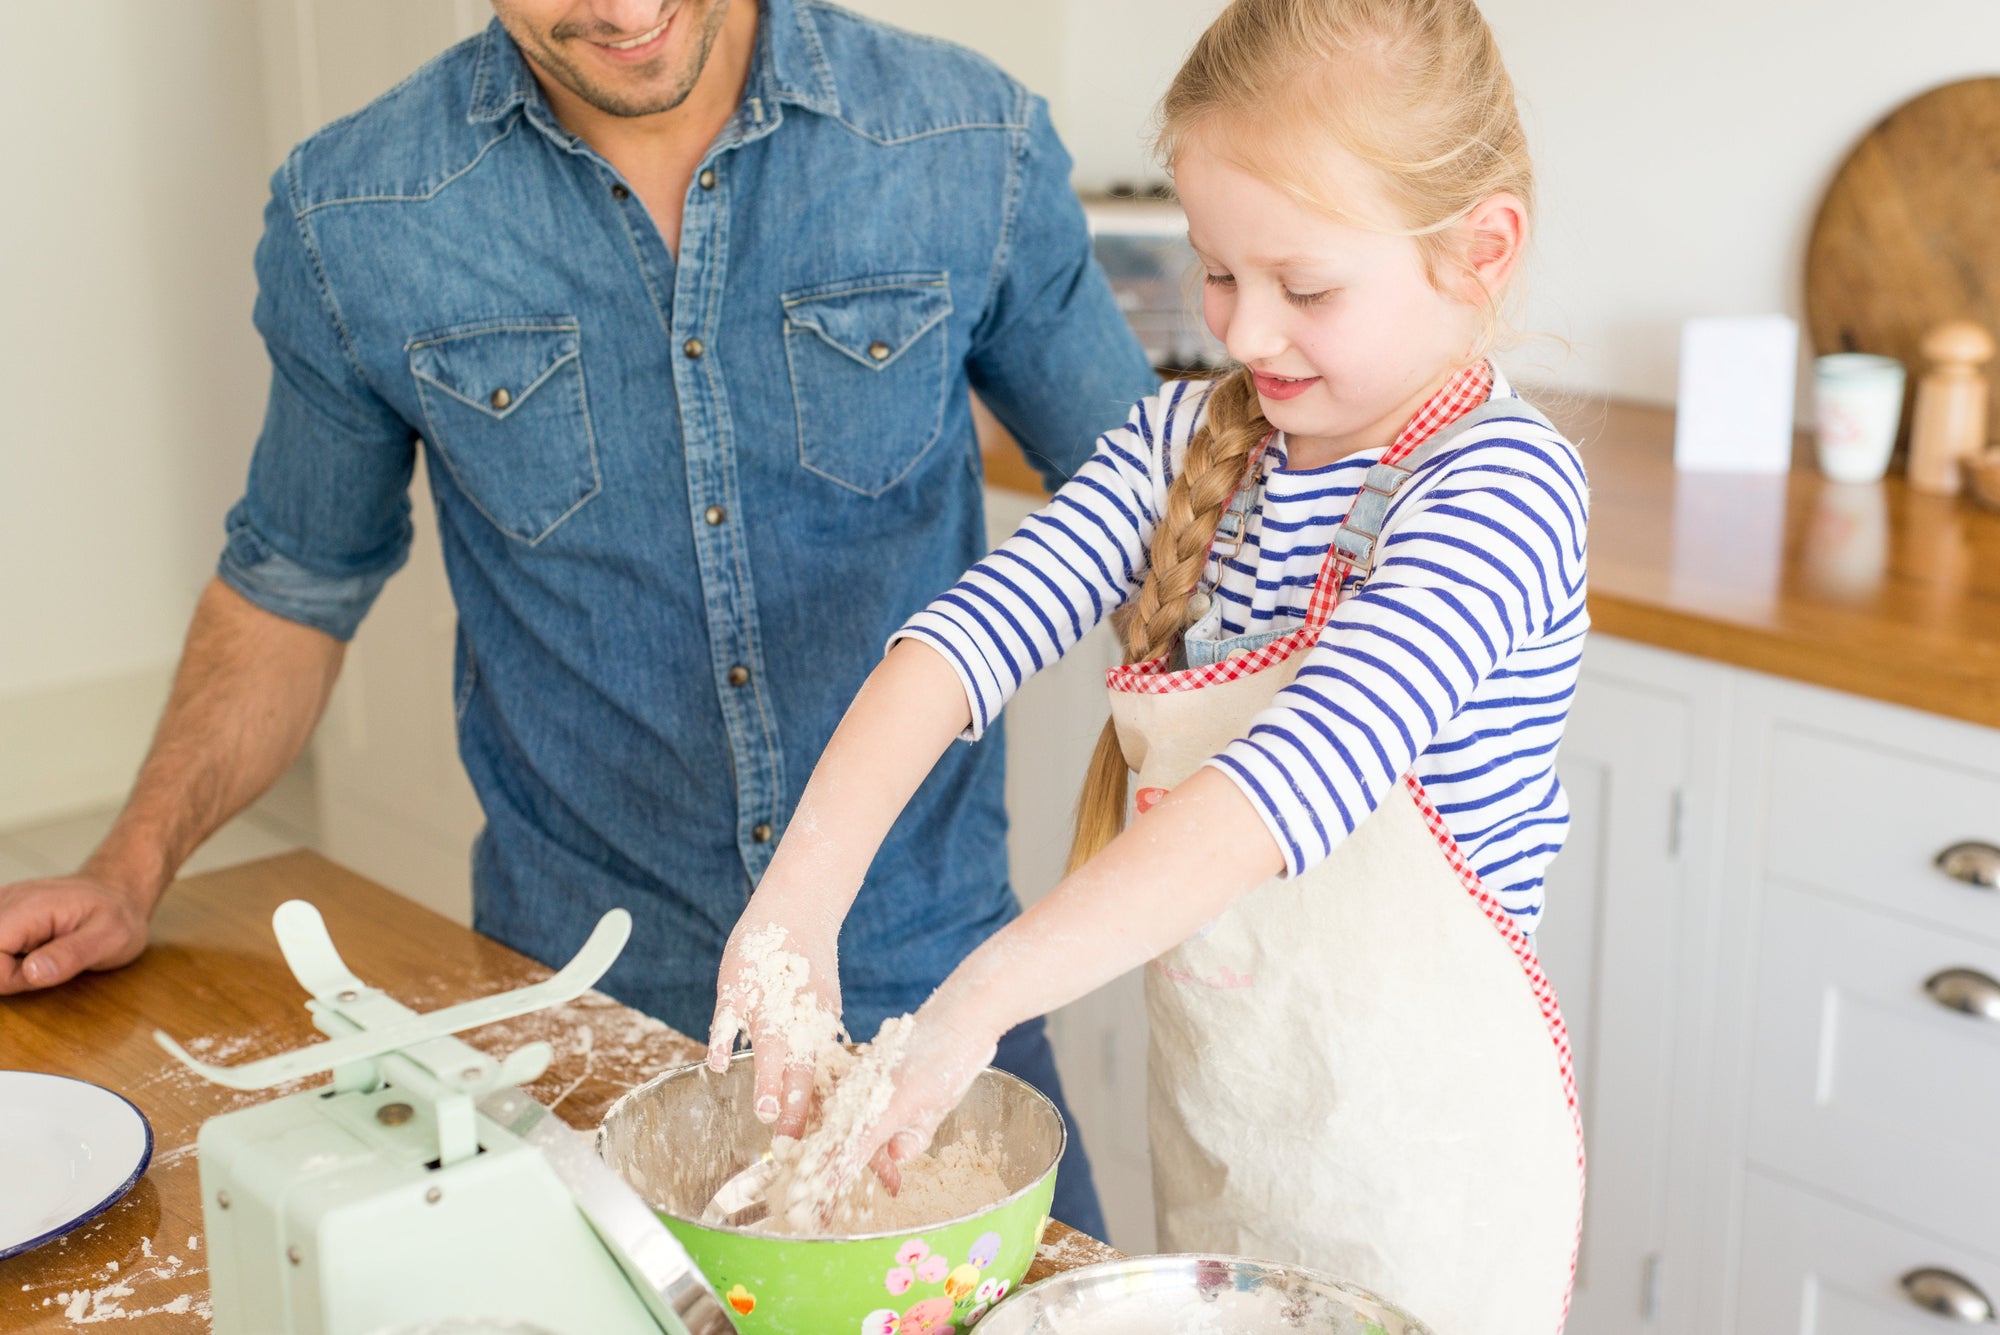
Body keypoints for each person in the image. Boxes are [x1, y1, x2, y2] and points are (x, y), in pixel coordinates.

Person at [0, 0, 1159, 1239]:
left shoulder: (964, 140)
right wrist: (130, 868)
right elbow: (294, 582)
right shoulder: (359, 213)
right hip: (576, 1012)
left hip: (929, 1003)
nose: (618, 10)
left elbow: (1154, 510)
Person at [707, 0, 1589, 1328]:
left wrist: (968, 1006)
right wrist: (797, 900)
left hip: (1429, 1179)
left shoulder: (1498, 488)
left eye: (1306, 287)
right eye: (1216, 269)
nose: (1242, 332)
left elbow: (1284, 786)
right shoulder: (1184, 438)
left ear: (1480, 250)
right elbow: (970, 636)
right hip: (1235, 1141)